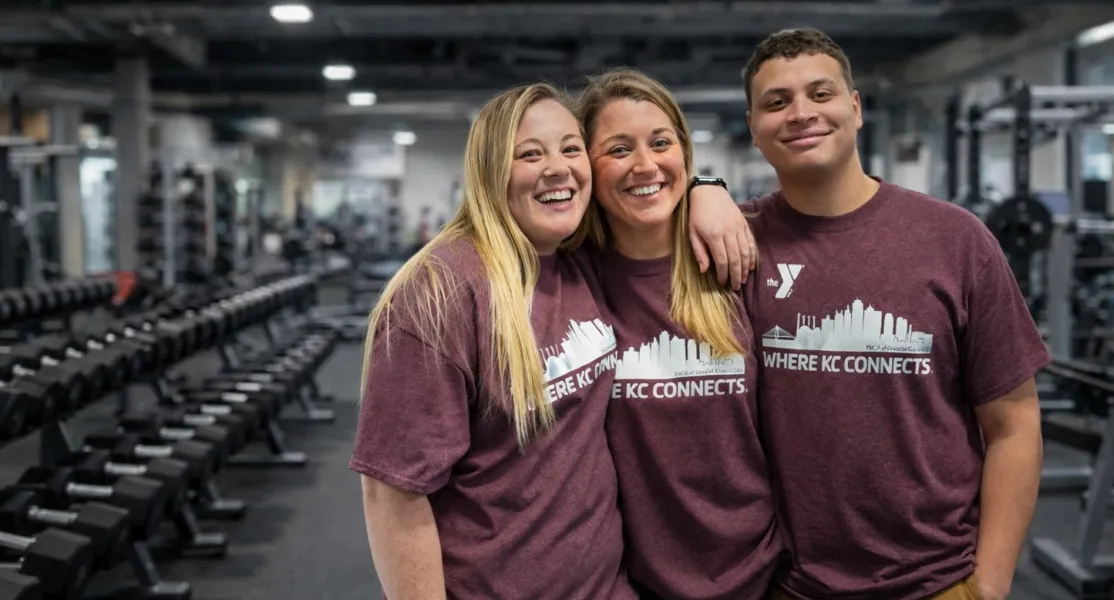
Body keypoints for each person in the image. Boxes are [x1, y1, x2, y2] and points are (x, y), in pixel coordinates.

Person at [350, 83, 755, 599]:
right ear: (491, 170)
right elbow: (392, 493)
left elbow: (650, 182)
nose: (557, 168)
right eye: (530, 154)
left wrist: (707, 184)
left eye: (569, 149)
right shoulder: (442, 292)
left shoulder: (574, 263)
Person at [739, 28, 1050, 600]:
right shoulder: (734, 242)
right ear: (755, 129)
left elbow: (1014, 425)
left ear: (855, 109)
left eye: (821, 94)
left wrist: (990, 586)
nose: (801, 114)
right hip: (789, 586)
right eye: (776, 102)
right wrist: (702, 185)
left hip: (935, 582)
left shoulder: (956, 239)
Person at [568, 68, 782, 600]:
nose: (645, 165)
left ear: (683, 152)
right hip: (630, 582)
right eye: (619, 149)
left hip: (763, 575)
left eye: (661, 143)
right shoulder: (572, 277)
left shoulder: (737, 258)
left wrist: (708, 184)